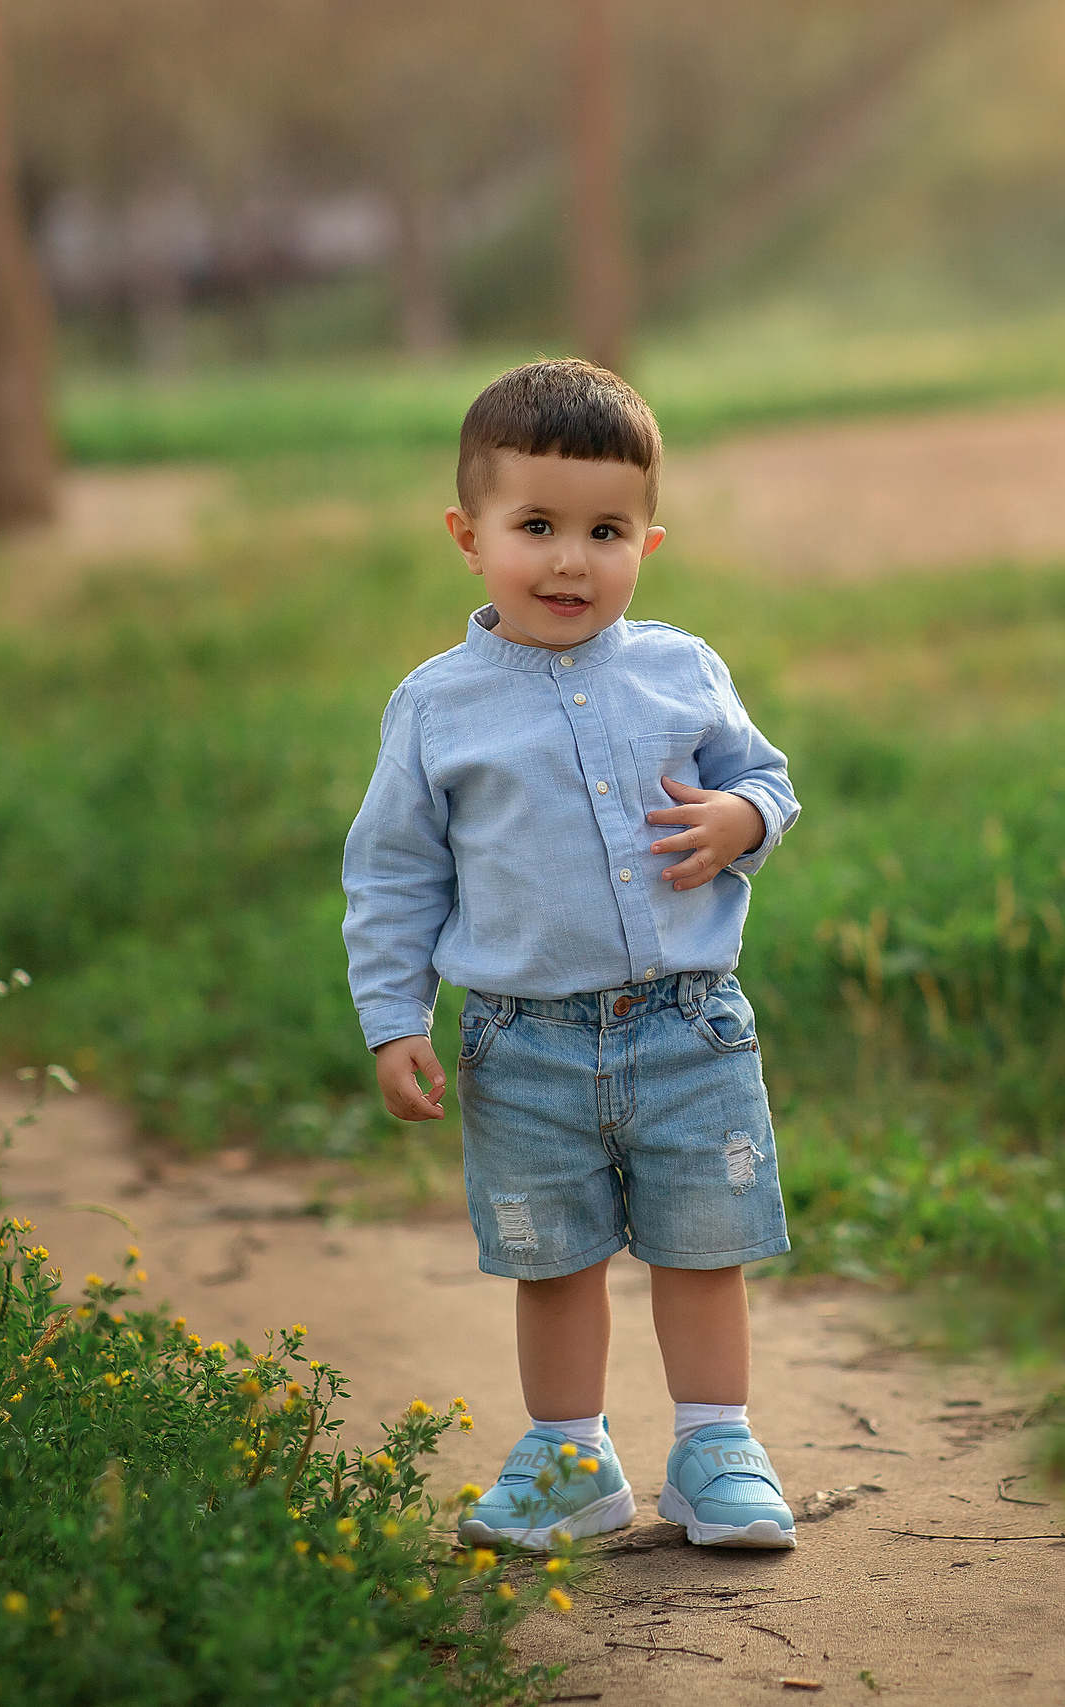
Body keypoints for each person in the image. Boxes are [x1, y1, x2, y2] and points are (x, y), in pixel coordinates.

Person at [342, 359, 803, 1550]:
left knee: (705, 1245)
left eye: (606, 531)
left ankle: (715, 1448)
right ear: (467, 533)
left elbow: (764, 776)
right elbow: (395, 874)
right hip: (521, 1039)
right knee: (553, 1259)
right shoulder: (437, 707)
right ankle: (570, 1458)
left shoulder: (680, 669)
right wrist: (395, 1022)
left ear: (650, 536)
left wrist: (743, 820)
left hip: (688, 1021)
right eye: (534, 526)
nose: (569, 561)